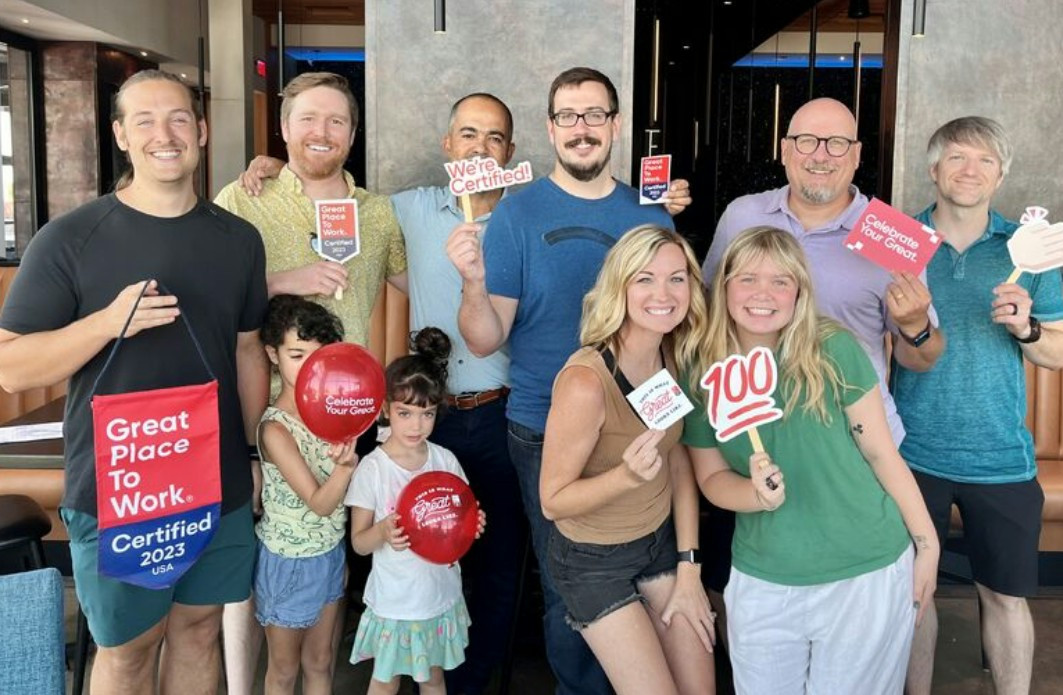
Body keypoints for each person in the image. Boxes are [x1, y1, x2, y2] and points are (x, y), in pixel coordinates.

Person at [237, 91, 531, 695]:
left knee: (497, 558)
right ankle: (402, 667)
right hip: (426, 416)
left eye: (495, 138)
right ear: (448, 146)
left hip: (506, 413)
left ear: (509, 153)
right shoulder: (403, 208)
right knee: (406, 543)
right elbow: (326, 187)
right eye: (468, 135)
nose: (480, 147)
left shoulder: (529, 218)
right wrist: (271, 166)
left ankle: (470, 681)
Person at [0, 70, 269, 694]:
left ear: (201, 131)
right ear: (121, 135)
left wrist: (253, 453)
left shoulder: (238, 239)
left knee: (200, 629)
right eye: (143, 121)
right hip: (121, 485)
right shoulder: (69, 238)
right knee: (128, 649)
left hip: (216, 479)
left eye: (178, 117)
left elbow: (248, 349)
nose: (163, 134)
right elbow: (12, 366)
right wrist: (104, 323)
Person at [449, 66, 690, 694]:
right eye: (568, 117)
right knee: (568, 587)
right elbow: (483, 337)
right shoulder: (515, 215)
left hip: (643, 421)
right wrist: (474, 282)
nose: (581, 129)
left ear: (615, 125)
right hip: (545, 427)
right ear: (550, 128)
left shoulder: (650, 212)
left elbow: (672, 316)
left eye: (594, 116)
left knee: (645, 563)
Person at [697, 97, 944, 626]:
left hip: (859, 442)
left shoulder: (891, 233)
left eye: (837, 144)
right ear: (786, 150)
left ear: (856, 155)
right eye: (807, 141)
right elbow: (705, 311)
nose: (821, 155)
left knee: (896, 587)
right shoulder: (743, 214)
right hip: (754, 435)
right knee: (750, 579)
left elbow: (921, 358)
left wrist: (917, 324)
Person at [684, 226, 939, 694]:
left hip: (865, 570)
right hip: (764, 577)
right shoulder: (703, 368)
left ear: (800, 291)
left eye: (781, 281)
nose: (764, 294)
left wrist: (927, 544)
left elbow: (880, 453)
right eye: (748, 279)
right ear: (723, 286)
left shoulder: (832, 348)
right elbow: (711, 477)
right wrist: (754, 494)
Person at [214, 71, 407, 693]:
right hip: (260, 424)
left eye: (336, 121)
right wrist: (279, 281)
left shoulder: (377, 213)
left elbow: (409, 285)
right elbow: (204, 297)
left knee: (329, 573)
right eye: (307, 119)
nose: (321, 132)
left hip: (347, 430)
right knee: (255, 577)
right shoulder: (243, 199)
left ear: (353, 133)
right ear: (283, 126)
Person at [892, 117, 1063, 695]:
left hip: (1001, 454)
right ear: (933, 169)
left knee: (1006, 597)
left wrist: (1028, 327)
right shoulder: (897, 239)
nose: (970, 171)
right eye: (958, 158)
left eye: (985, 160)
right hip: (908, 452)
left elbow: (1058, 354)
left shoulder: (1029, 251)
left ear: (1001, 174)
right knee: (915, 593)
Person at [540, 225, 715, 695]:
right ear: (620, 286)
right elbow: (553, 501)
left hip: (657, 542)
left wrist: (689, 569)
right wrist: (626, 475)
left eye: (677, 278)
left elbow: (676, 460)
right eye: (645, 279)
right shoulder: (586, 382)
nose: (664, 293)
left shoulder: (673, 354)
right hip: (592, 559)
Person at [345, 327, 487, 695]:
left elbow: (459, 517)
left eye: (427, 414)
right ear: (386, 408)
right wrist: (382, 533)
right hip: (395, 601)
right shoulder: (373, 468)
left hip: (439, 596)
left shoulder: (445, 460)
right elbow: (359, 543)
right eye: (404, 413)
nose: (416, 425)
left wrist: (473, 523)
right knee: (385, 680)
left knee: (434, 679)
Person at [254, 295, 356, 694]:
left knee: (320, 662)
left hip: (329, 550)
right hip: (289, 561)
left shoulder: (332, 412)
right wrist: (347, 468)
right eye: (297, 354)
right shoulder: (275, 429)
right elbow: (320, 502)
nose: (308, 366)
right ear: (272, 354)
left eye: (318, 356)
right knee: (283, 670)